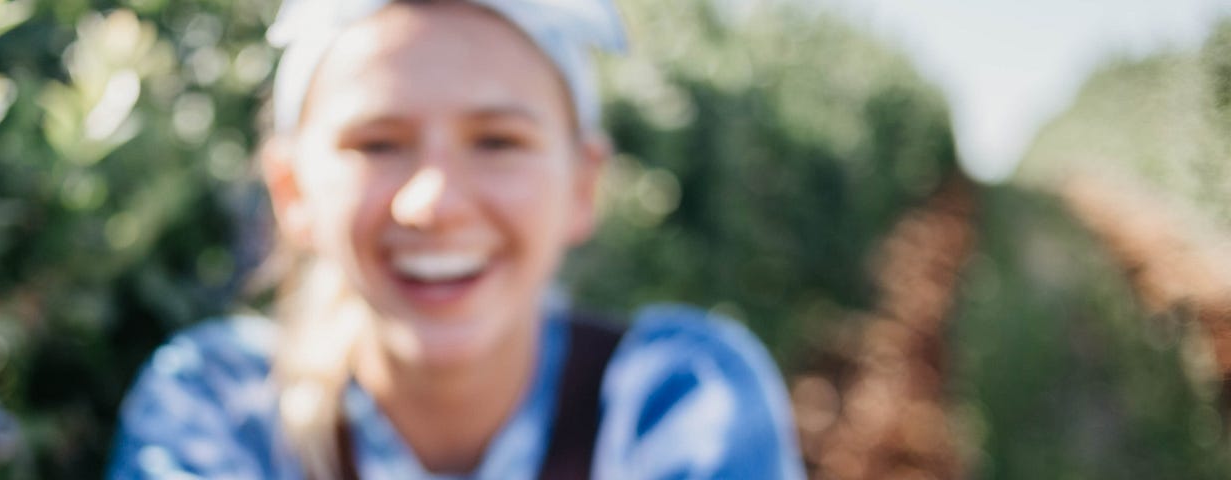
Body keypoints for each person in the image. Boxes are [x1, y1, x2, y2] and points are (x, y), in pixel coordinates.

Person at [108, 0, 805, 478]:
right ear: (293, 192)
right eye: (378, 144)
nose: (433, 202)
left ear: (583, 185)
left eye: (498, 142)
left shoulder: (678, 396)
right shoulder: (215, 407)